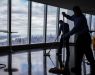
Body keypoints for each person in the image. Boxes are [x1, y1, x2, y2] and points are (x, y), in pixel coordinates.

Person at [62, 6, 95, 75]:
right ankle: (77, 68)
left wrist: (66, 35)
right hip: (80, 37)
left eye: (76, 11)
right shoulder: (75, 15)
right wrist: (65, 15)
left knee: (88, 53)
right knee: (78, 53)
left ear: (79, 11)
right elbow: (71, 18)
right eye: (74, 11)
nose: (75, 13)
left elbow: (75, 29)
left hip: (85, 37)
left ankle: (93, 66)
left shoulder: (81, 18)